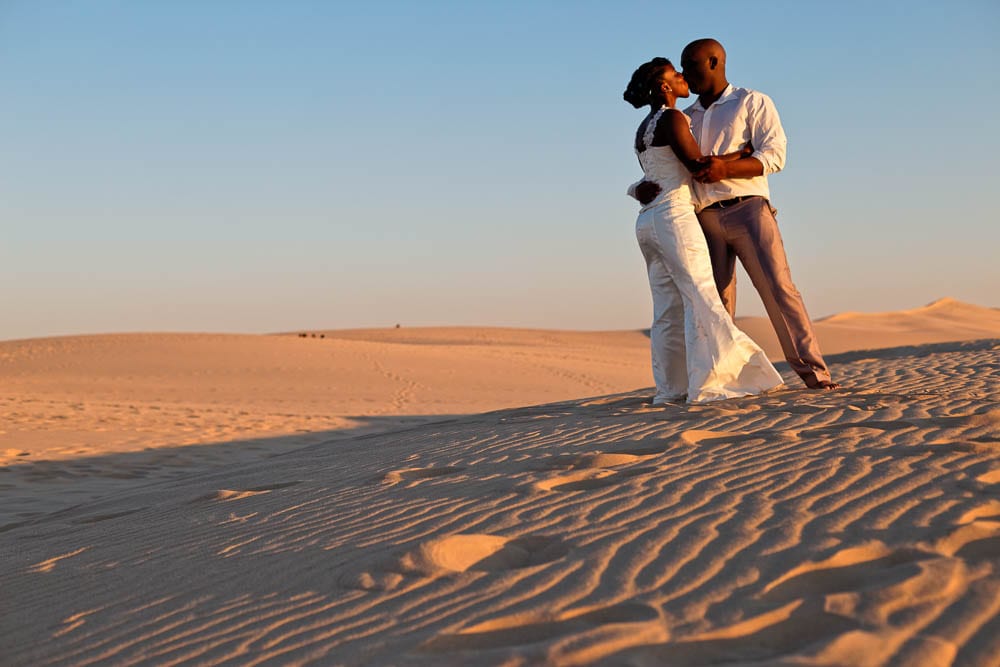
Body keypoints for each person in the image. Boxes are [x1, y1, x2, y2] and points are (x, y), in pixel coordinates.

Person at [632, 39, 839, 390]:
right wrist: (638, 186)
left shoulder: (752, 101)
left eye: (691, 64)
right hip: (701, 218)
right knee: (714, 302)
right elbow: (672, 164)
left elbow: (775, 156)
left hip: (748, 210)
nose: (685, 72)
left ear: (715, 62)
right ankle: (723, 382)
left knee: (779, 291)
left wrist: (727, 169)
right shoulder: (685, 115)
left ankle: (815, 376)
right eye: (680, 66)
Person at [624, 57, 783, 404]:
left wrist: (634, 189)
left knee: (666, 309)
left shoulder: (643, 127)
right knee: (701, 296)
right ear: (665, 87)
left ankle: (671, 389)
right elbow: (697, 167)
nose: (684, 79)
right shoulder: (673, 118)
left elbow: (653, 175)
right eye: (676, 75)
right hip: (674, 217)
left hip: (647, 222)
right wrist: (739, 157)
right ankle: (715, 382)